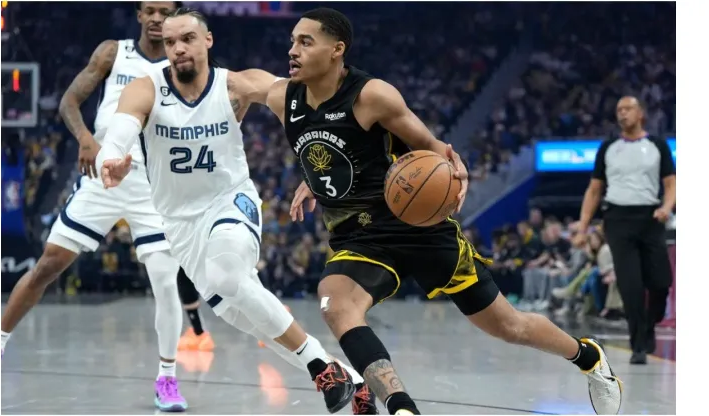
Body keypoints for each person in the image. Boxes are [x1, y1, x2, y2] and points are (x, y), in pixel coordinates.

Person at [264, 8, 623, 415]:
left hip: (421, 227)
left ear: (337, 50)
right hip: (360, 236)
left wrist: (456, 171)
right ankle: (402, 407)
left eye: (305, 41)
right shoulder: (286, 97)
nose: (292, 49)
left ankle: (589, 357)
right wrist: (312, 176)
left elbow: (431, 146)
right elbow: (243, 87)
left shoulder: (372, 95)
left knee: (509, 326)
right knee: (335, 301)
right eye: (292, 40)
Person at [96, 8, 377, 414]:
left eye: (188, 39)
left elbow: (303, 110)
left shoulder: (238, 85)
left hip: (230, 201)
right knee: (246, 315)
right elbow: (120, 129)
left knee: (228, 276)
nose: (178, 48)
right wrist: (112, 157)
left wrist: (319, 167)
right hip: (179, 224)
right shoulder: (146, 88)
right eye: (171, 42)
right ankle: (349, 377)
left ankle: (320, 369)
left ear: (207, 41)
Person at [0, 2, 194, 411]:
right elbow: (70, 101)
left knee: (163, 278)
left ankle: (167, 379)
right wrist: (85, 138)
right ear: (139, 15)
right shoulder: (113, 52)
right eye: (150, 10)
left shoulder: (183, 62)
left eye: (165, 11)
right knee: (48, 265)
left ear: (178, 15)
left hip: (152, 183)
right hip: (103, 171)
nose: (157, 18)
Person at [577, 96, 675, 365]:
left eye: (628, 108)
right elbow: (594, 189)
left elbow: (671, 183)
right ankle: (638, 344)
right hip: (618, 219)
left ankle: (649, 324)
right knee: (630, 285)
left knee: (660, 283)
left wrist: (667, 206)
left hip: (651, 217)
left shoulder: (656, 145)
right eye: (619, 109)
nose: (622, 113)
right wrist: (583, 226)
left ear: (640, 113)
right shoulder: (608, 148)